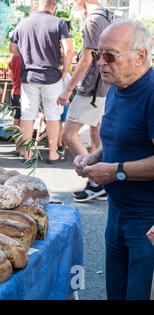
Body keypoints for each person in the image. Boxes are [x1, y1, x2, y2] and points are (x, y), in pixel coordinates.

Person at [73, 20, 154, 300]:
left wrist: (115, 172)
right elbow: (118, 141)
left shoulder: (151, 94)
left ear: (140, 56)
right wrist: (93, 157)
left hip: (146, 220)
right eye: (97, 54)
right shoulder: (119, 87)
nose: (100, 63)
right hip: (117, 213)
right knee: (115, 293)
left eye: (109, 56)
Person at [57, 0, 111, 202]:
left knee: (68, 134)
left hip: (92, 88)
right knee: (97, 134)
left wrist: (69, 88)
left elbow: (88, 58)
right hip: (104, 86)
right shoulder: (106, 15)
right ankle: (101, 182)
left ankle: (96, 181)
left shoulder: (92, 19)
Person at [9, 0, 73, 163]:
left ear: (38, 5)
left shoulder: (22, 24)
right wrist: (65, 71)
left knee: (27, 115)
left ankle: (27, 153)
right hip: (52, 77)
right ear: (54, 6)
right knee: (52, 114)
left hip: (28, 77)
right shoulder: (58, 23)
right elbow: (68, 49)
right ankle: (53, 153)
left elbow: (12, 49)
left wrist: (28, 54)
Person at [8, 53, 22, 157]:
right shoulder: (28, 54)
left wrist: (15, 83)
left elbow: (11, 74)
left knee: (16, 119)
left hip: (15, 91)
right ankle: (24, 148)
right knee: (26, 121)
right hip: (26, 92)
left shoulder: (14, 56)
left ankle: (17, 147)